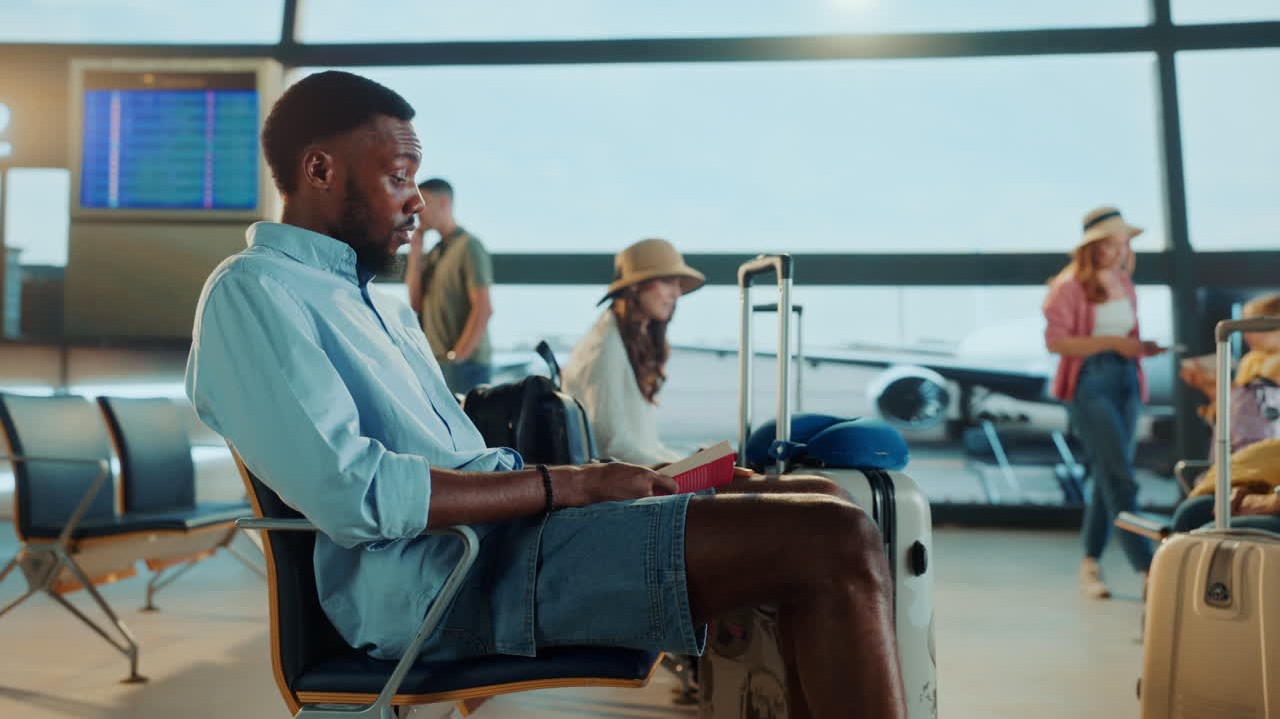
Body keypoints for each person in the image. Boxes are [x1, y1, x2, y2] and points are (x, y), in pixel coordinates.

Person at [184, 70, 906, 719]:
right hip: (447, 578)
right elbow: (357, 494)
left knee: (823, 499)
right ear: (318, 169)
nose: (417, 203)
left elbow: (461, 468)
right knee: (830, 539)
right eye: (400, 177)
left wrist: (606, 485)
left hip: (504, 542)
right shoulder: (256, 293)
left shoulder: (380, 308)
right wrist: (571, 485)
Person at [1043, 206, 1167, 599]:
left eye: (1123, 243)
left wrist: (1139, 348)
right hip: (1090, 382)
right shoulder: (1067, 286)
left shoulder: (1125, 282)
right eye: (1111, 243)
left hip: (1127, 378)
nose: (1119, 251)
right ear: (1092, 247)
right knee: (1120, 478)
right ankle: (1149, 569)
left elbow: (1125, 336)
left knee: (1106, 477)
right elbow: (1057, 343)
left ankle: (1090, 563)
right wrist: (1114, 343)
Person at [561, 238, 704, 465]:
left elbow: (642, 446)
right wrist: (683, 470)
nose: (677, 293)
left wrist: (688, 464)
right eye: (668, 282)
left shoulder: (627, 339)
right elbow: (612, 448)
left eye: (678, 284)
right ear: (636, 287)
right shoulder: (605, 348)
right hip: (617, 482)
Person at [1170, 293, 1280, 533]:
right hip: (1246, 457)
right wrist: (1210, 387)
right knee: (1193, 511)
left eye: (1254, 327)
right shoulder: (1251, 363)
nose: (1247, 335)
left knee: (1206, 524)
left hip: (1263, 460)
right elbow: (1238, 411)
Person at [405, 177, 494, 395]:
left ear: (444, 202)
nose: (418, 210)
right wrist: (415, 254)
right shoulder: (435, 253)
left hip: (465, 366)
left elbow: (483, 308)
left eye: (424, 202)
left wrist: (457, 357)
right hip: (438, 363)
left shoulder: (469, 246)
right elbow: (416, 304)